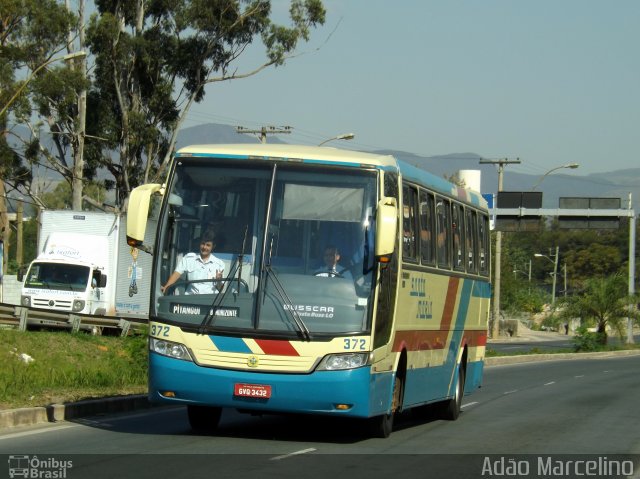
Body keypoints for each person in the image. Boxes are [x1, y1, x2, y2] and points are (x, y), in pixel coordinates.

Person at [161, 231, 225, 294]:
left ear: (213, 247)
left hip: (209, 301)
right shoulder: (189, 259)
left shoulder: (219, 264)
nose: (204, 247)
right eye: (203, 244)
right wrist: (166, 287)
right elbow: (177, 273)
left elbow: (220, 289)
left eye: (208, 245)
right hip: (190, 300)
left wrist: (219, 281)